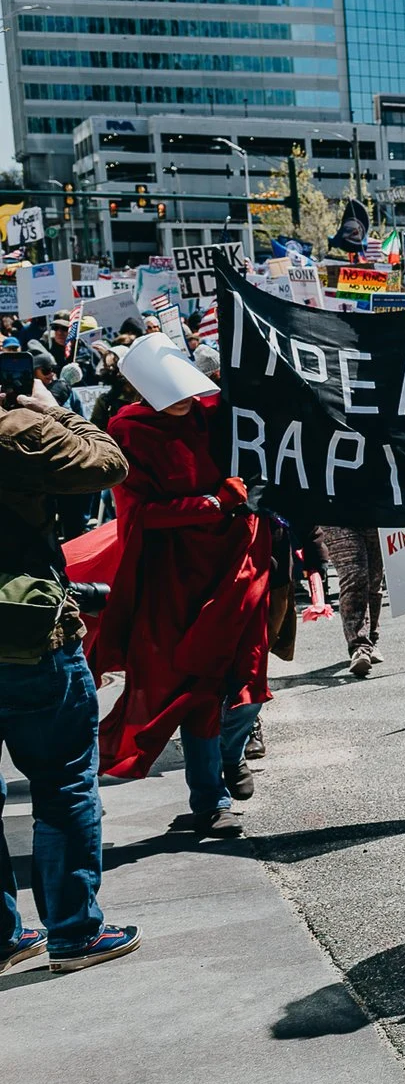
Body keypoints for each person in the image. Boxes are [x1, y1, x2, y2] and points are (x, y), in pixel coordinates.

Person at [91, 334, 281, 837]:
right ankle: (211, 797)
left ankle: (226, 760)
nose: (185, 401)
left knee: (248, 680)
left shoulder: (215, 410)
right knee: (197, 688)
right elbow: (139, 515)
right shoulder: (127, 431)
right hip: (174, 579)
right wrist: (213, 503)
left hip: (237, 563)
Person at [0, 371, 136, 974]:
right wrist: (55, 411)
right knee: (64, 783)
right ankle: (74, 932)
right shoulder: (14, 433)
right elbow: (110, 464)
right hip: (27, 645)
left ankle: (6, 935)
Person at [316, 523, 387, 677]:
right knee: (354, 576)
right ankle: (359, 646)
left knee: (374, 579)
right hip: (336, 516)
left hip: (374, 514)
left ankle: (371, 639)